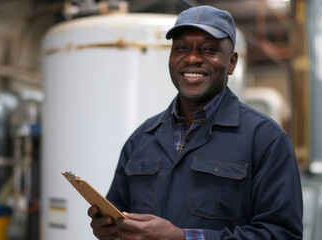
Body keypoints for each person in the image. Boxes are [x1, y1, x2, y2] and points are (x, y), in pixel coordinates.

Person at [88, 5, 303, 240]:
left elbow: (282, 234)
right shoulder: (142, 138)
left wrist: (182, 237)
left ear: (231, 63)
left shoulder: (265, 139)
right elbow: (120, 213)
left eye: (209, 49)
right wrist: (107, 229)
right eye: (181, 48)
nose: (191, 58)